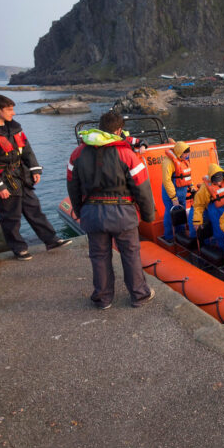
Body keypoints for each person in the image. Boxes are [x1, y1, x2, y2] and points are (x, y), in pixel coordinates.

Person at [66, 110, 156, 309]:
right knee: (131, 254)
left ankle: (103, 298)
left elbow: (72, 185)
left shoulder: (77, 154)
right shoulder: (127, 154)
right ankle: (139, 295)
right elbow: (142, 188)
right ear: (119, 130)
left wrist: (81, 211)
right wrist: (149, 215)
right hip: (122, 214)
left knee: (99, 256)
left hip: (92, 213)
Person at [0, 94, 70, 261]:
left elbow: (27, 150)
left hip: (22, 175)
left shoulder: (15, 128)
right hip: (4, 178)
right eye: (9, 109)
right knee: (10, 216)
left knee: (35, 209)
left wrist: (35, 169)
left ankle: (51, 240)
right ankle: (19, 249)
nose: (13, 113)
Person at [192, 163, 224, 249]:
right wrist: (197, 221)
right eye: (215, 180)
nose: (218, 182)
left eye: (220, 179)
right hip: (216, 213)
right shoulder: (204, 188)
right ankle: (223, 253)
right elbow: (198, 205)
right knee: (220, 234)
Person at [160, 141, 195, 242]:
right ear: (180, 152)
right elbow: (167, 181)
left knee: (181, 213)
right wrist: (173, 197)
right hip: (170, 192)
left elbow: (187, 175)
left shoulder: (184, 160)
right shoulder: (168, 162)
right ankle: (169, 237)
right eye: (185, 153)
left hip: (182, 191)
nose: (187, 155)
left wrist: (191, 185)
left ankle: (181, 234)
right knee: (170, 214)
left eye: (188, 153)